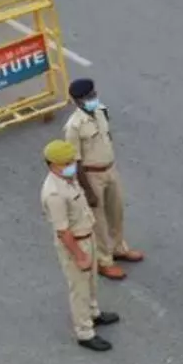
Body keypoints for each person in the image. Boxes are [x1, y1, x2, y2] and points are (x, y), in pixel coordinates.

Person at [40, 139, 118, 351]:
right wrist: (79, 255)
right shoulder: (54, 193)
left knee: (91, 280)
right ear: (53, 164)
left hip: (87, 235)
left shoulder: (68, 179)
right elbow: (63, 231)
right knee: (79, 288)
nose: (71, 165)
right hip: (75, 243)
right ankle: (84, 332)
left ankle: (93, 313)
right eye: (66, 163)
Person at [63, 78, 144, 281]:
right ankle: (104, 261)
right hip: (91, 175)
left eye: (93, 94)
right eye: (87, 97)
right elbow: (75, 162)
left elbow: (108, 137)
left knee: (116, 212)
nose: (92, 99)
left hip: (110, 169)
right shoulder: (73, 127)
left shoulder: (101, 111)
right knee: (98, 221)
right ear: (77, 101)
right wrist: (87, 190)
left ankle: (119, 248)